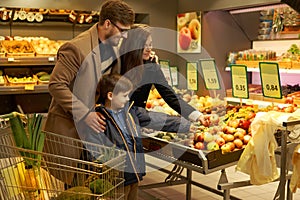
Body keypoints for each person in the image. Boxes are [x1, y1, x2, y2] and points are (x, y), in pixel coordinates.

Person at [43, 0, 135, 185]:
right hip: (70, 129)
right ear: (107, 24)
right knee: (72, 188)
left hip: (94, 135)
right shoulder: (76, 48)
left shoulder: (113, 49)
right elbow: (56, 85)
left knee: (93, 186)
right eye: (122, 30)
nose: (125, 36)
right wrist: (85, 113)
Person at [88, 73, 193, 200]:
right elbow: (94, 150)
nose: (128, 99)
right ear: (110, 95)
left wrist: (186, 126)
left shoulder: (131, 112)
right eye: (125, 95)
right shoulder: (100, 120)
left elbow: (158, 119)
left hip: (134, 172)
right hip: (116, 179)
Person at [119, 25, 210, 126]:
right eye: (144, 45)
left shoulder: (151, 66)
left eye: (150, 44)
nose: (149, 49)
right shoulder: (118, 64)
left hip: (136, 123)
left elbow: (169, 94)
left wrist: (197, 115)